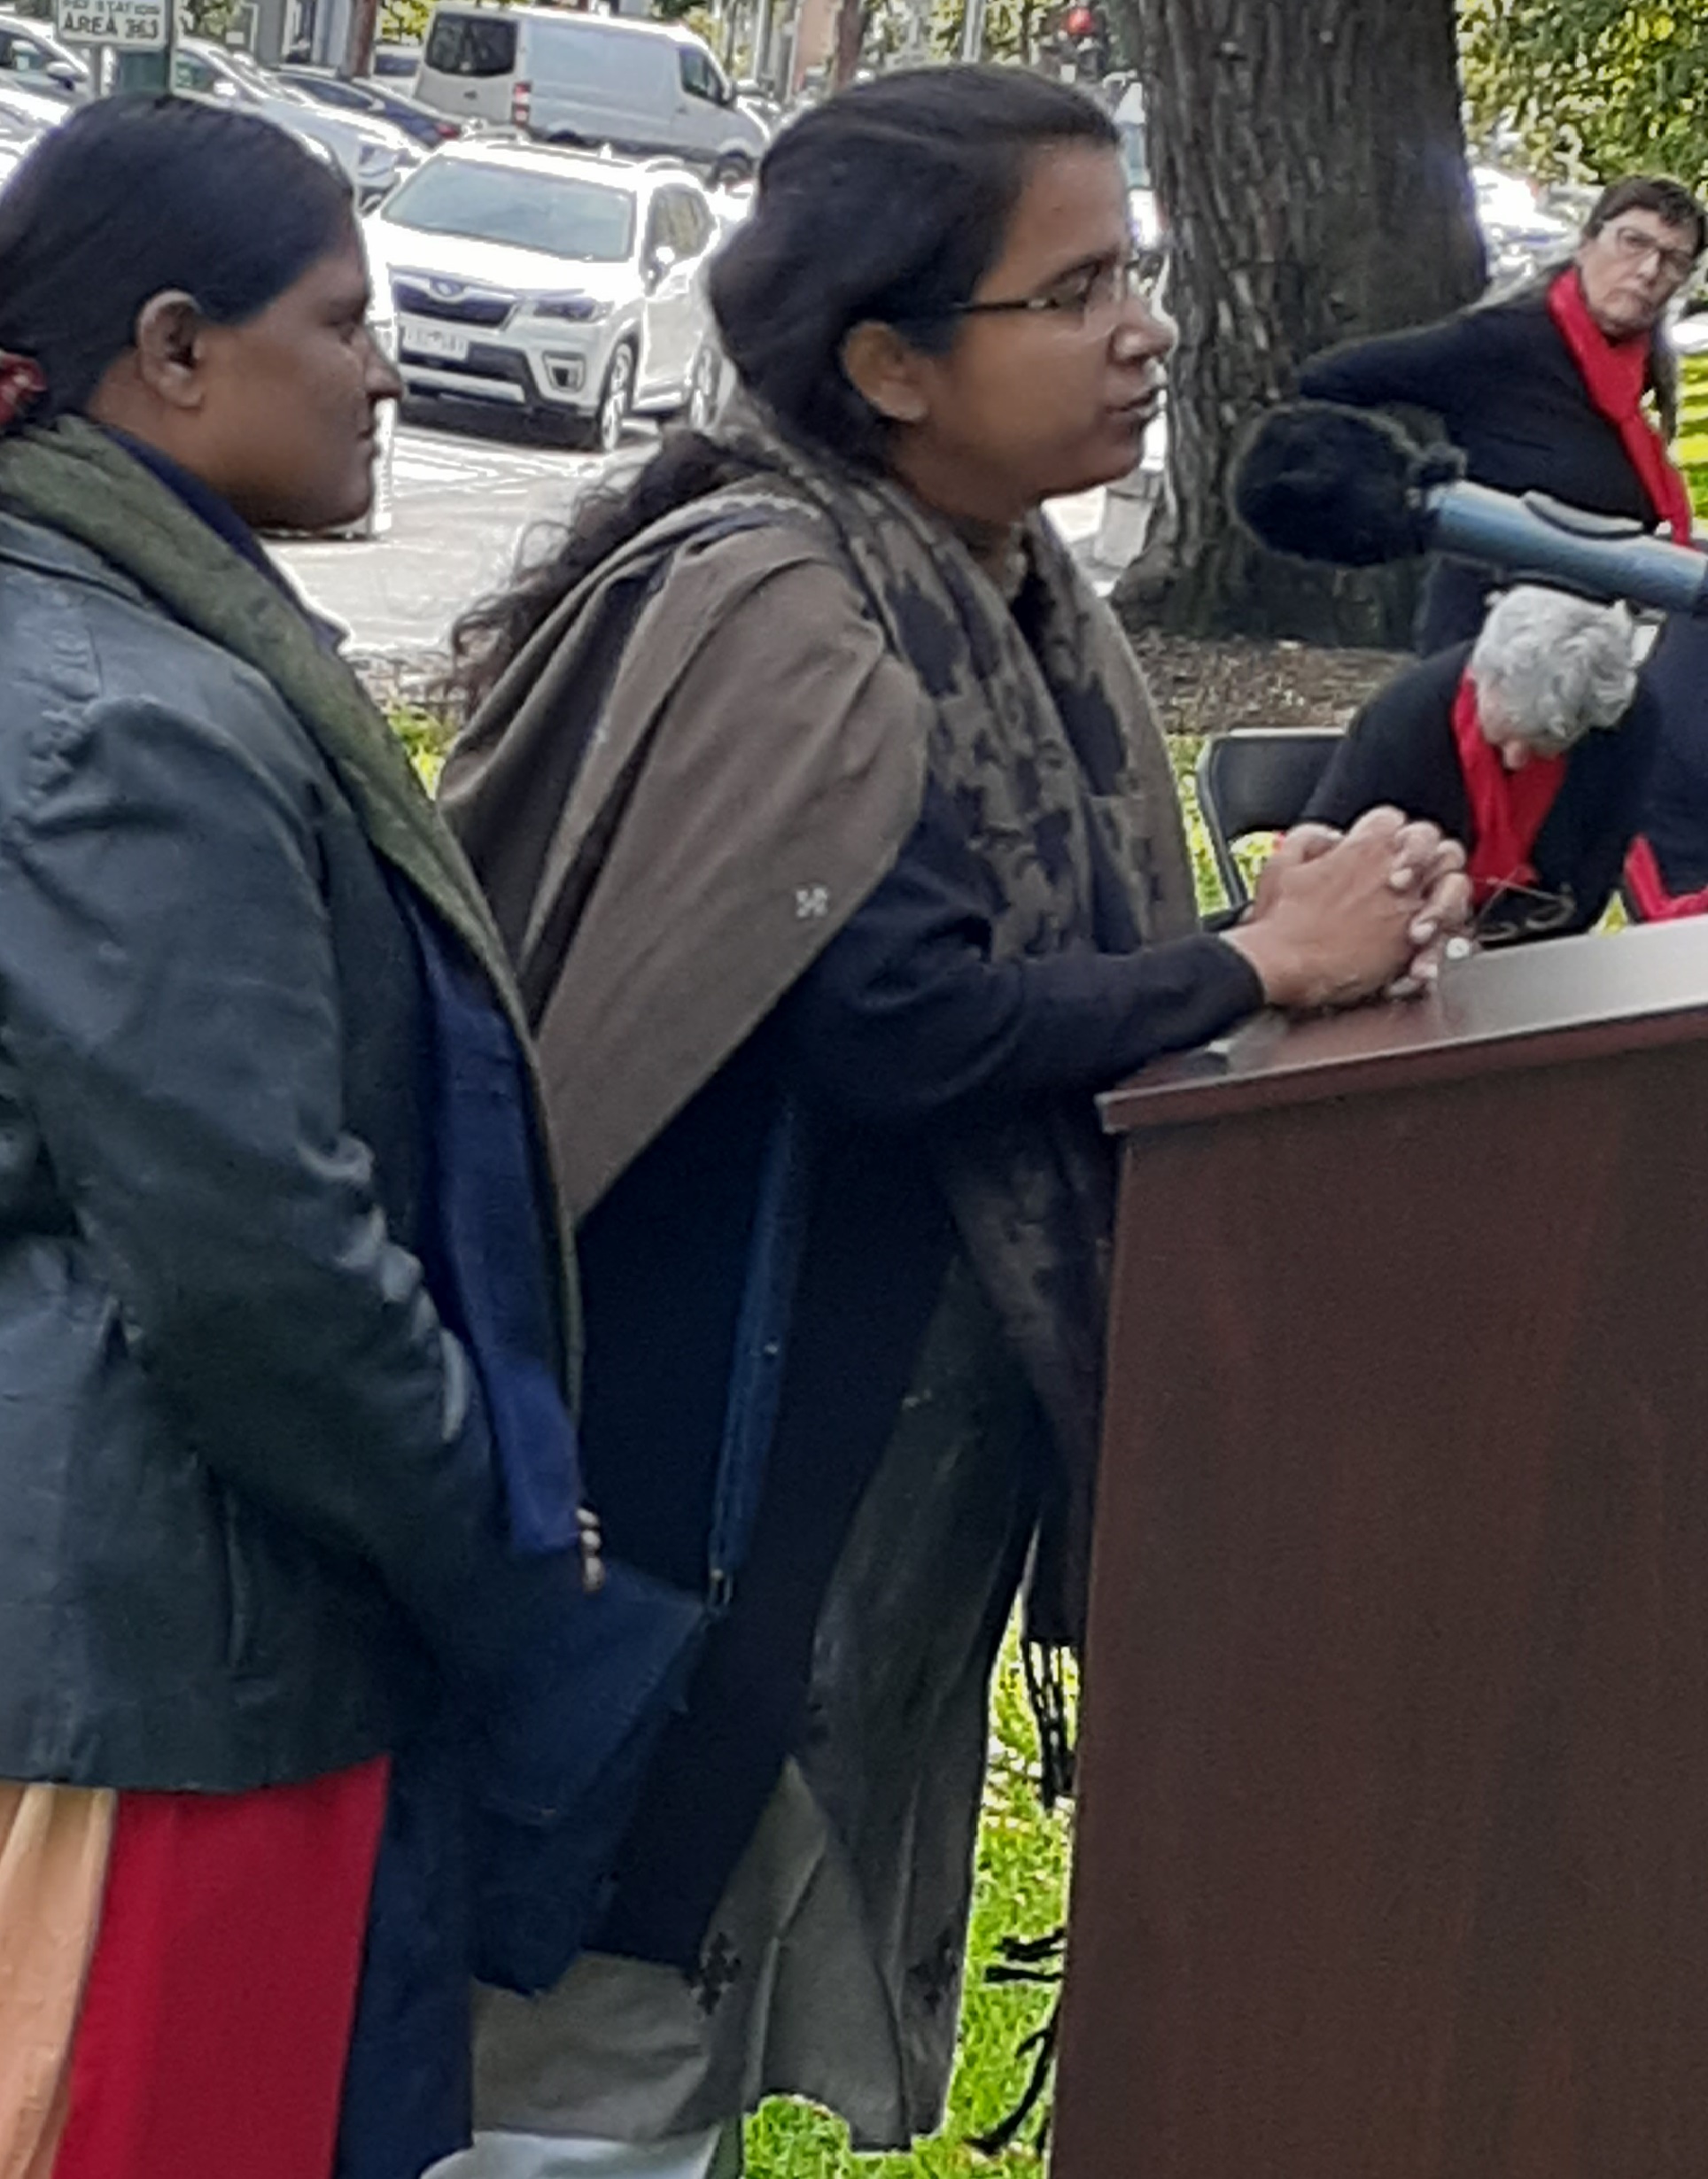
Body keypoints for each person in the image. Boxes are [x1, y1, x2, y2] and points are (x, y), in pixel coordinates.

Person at [436, 66, 1468, 2179]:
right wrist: (1250, 971)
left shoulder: (1000, 591)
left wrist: (1245, 938)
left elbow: (992, 966)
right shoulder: (777, 607)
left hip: (841, 1475)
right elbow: (892, 1017)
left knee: (679, 2040)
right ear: (887, 361)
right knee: (592, 2063)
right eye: (1072, 287)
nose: (1144, 330)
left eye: (1142, 272)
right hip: (681, 1468)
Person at [0, 97, 596, 2179]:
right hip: (167, 1662)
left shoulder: (108, 634)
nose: (385, 367)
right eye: (338, 321)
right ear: (172, 350)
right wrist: (486, 1515)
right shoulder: (126, 712)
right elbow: (253, 1260)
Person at [1299, 176, 1706, 653]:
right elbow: (1330, 379)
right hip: (1488, 642)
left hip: (1586, 641)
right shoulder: (1503, 340)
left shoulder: (1630, 368)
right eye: (1633, 242)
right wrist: (1411, 480)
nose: (1648, 270)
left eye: (1674, 259)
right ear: (1587, 241)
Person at [1304, 585, 1656, 943]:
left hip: (1537, 948)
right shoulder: (1401, 718)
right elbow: (1322, 860)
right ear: (1482, 676)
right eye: (1506, 736)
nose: (1515, 759)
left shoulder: (1625, 722)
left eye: (1542, 744)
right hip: (1400, 939)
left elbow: (1597, 867)